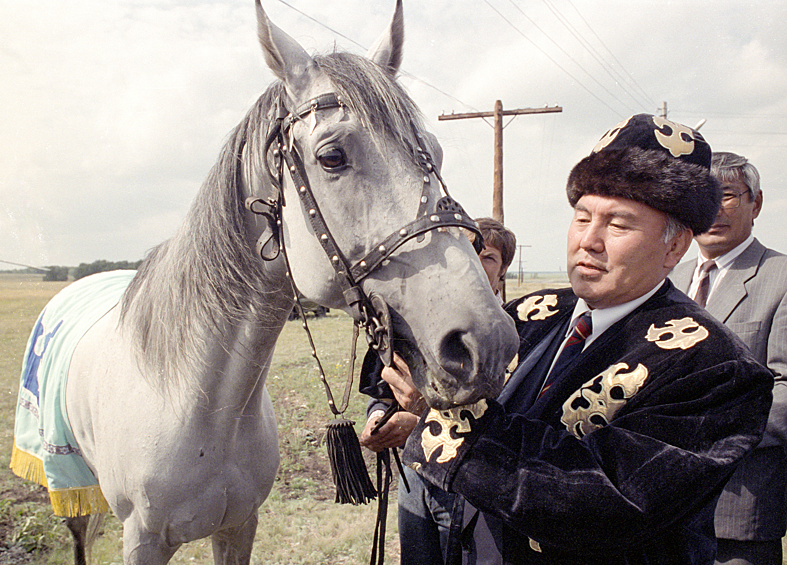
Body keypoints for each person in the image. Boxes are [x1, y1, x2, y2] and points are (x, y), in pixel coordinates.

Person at [382, 114, 774, 564]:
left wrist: (444, 417)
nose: (588, 240)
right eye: (582, 217)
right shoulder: (533, 313)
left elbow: (604, 501)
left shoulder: (716, 367)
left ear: (675, 246)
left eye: (619, 225)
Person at [360, 218, 516, 565]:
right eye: (468, 252)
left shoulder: (512, 335)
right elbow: (383, 391)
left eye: (488, 257)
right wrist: (376, 420)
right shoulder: (419, 328)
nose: (475, 263)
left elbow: (508, 416)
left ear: (503, 271)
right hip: (415, 478)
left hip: (470, 489)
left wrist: (420, 419)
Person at [670, 151, 787, 565]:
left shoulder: (781, 278)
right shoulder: (667, 278)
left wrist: (700, 426)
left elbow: (784, 392)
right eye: (704, 196)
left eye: (729, 196)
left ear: (756, 203)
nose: (715, 209)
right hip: (658, 505)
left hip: (735, 512)